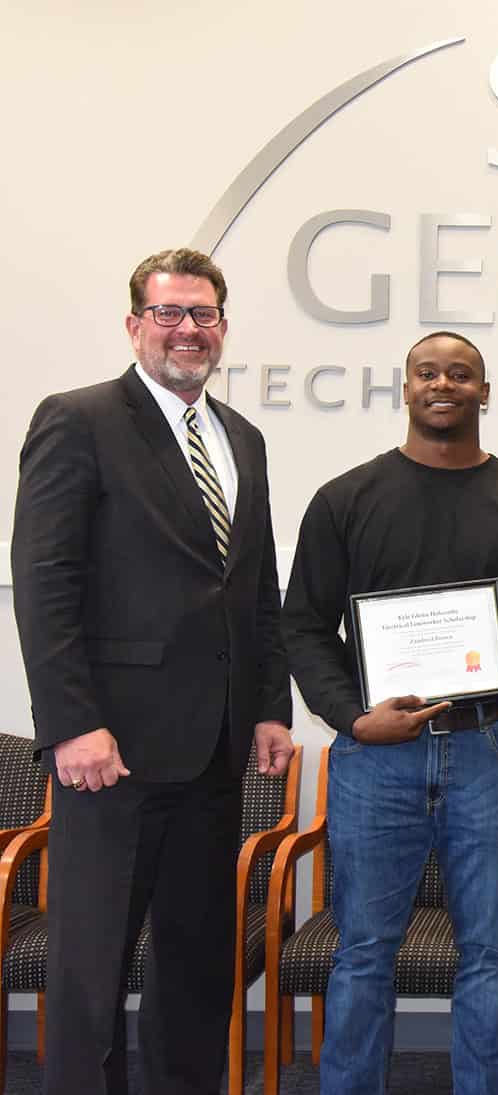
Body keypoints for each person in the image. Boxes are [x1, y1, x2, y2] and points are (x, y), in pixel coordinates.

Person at [11, 248, 293, 1095]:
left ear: (223, 327)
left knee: (196, 972)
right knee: (91, 974)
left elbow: (255, 587)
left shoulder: (242, 438)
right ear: (135, 325)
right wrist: (72, 723)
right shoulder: (79, 419)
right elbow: (45, 581)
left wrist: (269, 706)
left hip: (214, 755)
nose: (187, 329)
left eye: (202, 314)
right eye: (169, 313)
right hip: (111, 755)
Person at [282, 330, 498, 1095]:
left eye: (460, 373)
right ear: (406, 387)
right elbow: (303, 626)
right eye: (427, 372)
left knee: (491, 950)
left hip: (493, 752)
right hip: (376, 757)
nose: (442, 383)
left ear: (484, 391)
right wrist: (354, 718)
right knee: (363, 952)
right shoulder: (345, 500)